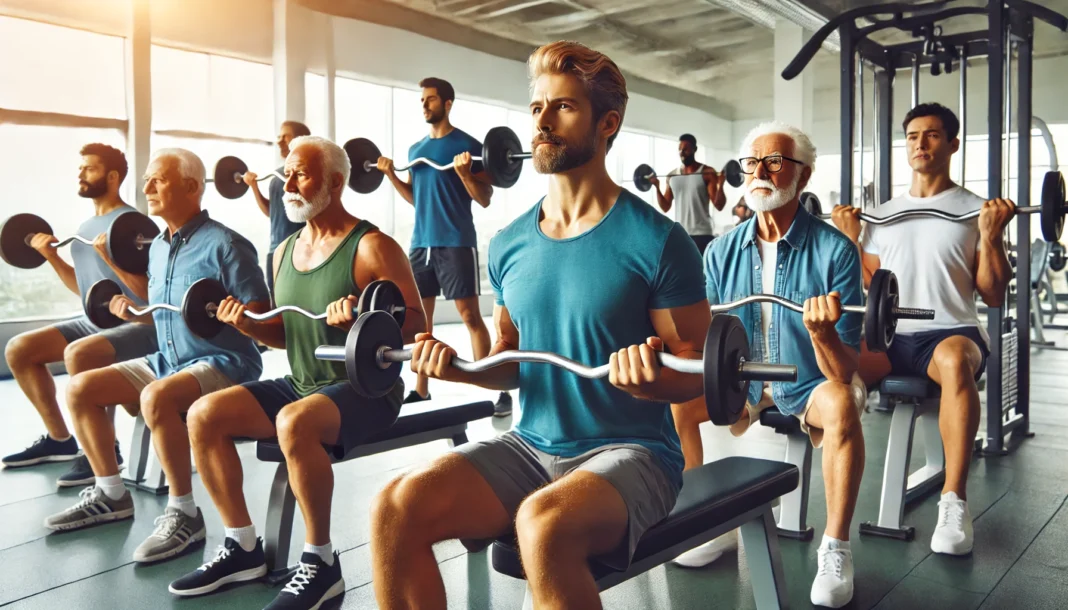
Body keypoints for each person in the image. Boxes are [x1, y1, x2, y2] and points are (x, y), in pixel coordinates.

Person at [369, 41, 710, 610]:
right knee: (394, 508)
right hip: (533, 445)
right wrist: (459, 369)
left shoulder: (658, 241)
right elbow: (511, 359)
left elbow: (699, 370)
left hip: (635, 452)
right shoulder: (507, 244)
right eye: (536, 109)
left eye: (563, 108)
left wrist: (646, 380)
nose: (543, 123)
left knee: (543, 524)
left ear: (608, 122)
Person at [167, 136, 426, 609]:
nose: (288, 183)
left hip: (365, 390)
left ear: (335, 182)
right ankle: (243, 546)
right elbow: (286, 335)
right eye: (286, 173)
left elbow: (415, 322)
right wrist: (247, 323)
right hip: (303, 383)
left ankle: (321, 562)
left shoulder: (371, 246)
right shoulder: (284, 250)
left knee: (295, 421)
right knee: (203, 414)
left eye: (301, 174)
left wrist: (365, 319)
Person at [43, 148, 271, 567]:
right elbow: (156, 304)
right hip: (169, 358)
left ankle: (183, 513)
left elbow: (263, 319)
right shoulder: (159, 246)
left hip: (222, 362)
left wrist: (242, 319)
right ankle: (111, 493)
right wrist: (128, 307)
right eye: (146, 179)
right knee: (81, 388)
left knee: (156, 398)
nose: (146, 188)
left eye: (158, 180)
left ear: (190, 186)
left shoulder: (227, 245)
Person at [675, 122, 866, 609]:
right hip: (743, 380)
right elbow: (705, 340)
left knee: (843, 405)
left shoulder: (835, 250)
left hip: (811, 379)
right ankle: (699, 520)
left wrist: (822, 331)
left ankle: (836, 547)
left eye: (775, 162)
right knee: (674, 399)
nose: (760, 172)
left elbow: (843, 371)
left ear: (802, 176)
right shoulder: (719, 252)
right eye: (752, 163)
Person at [832, 102, 1013, 557]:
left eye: (931, 135)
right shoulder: (882, 214)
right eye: (913, 136)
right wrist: (851, 240)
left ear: (952, 144)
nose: (920, 143)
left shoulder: (976, 210)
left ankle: (954, 502)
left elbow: (993, 296)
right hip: (890, 336)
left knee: (954, 361)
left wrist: (990, 237)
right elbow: (869, 284)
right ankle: (834, 533)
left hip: (950, 333)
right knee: (836, 369)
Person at [2, 144, 158, 488]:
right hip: (95, 319)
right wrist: (51, 256)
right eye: (81, 168)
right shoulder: (87, 225)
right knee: (19, 350)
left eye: (89, 168)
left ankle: (103, 450)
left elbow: (150, 293)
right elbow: (86, 288)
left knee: (82, 354)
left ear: (112, 177)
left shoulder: (134, 225)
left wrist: (112, 258)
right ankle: (61, 440)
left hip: (138, 322)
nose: (80, 174)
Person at [376, 77, 513, 416]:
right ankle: (421, 391)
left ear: (448, 104)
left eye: (431, 99)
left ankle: (494, 388)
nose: (425, 105)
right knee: (423, 321)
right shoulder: (416, 151)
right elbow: (417, 199)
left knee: (470, 317)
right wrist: (393, 176)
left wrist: (466, 173)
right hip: (421, 244)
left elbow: (484, 198)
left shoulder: (469, 145)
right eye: (422, 99)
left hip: (455, 242)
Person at [241, 120, 310, 297]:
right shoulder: (277, 175)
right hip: (275, 250)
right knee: (276, 301)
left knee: (297, 298)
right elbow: (270, 213)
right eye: (278, 137)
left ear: (301, 140)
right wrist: (254, 187)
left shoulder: (307, 174)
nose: (279, 141)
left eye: (285, 136)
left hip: (297, 249)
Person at [650, 133, 727, 254]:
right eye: (680, 149)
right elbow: (665, 207)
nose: (682, 152)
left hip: (703, 234)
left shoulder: (707, 172)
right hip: (681, 234)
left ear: (694, 149)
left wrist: (721, 184)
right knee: (683, 272)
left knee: (703, 272)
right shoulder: (672, 176)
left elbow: (719, 205)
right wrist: (656, 187)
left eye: (685, 148)